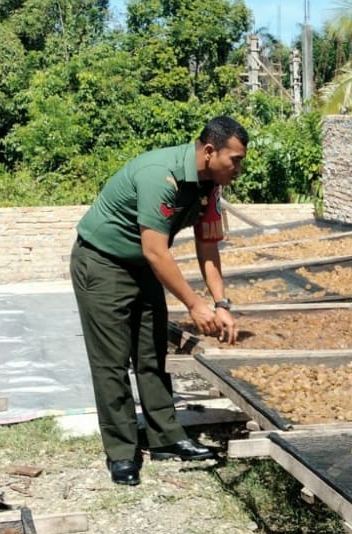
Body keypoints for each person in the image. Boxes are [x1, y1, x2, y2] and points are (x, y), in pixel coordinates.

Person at [71, 116, 246, 486]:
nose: (239, 168)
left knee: (151, 354)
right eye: (235, 160)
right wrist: (194, 305)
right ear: (210, 151)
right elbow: (156, 251)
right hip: (104, 263)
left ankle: (166, 438)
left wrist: (221, 303)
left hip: (143, 266)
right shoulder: (160, 176)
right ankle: (121, 452)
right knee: (112, 362)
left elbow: (208, 246)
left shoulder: (210, 185)